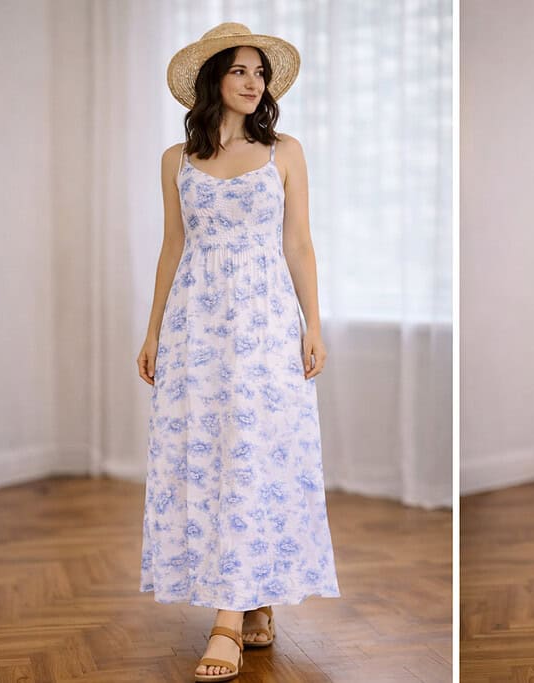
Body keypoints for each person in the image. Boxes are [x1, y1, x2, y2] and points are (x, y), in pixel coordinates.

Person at [135, 22, 340, 682]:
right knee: (211, 452)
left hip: (265, 321)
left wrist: (313, 323)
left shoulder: (285, 151)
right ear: (213, 81)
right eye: (240, 72)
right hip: (197, 322)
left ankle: (229, 617)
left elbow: (300, 245)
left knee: (257, 452)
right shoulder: (176, 159)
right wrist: (153, 329)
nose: (254, 83)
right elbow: (173, 247)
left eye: (260, 73)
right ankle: (250, 601)